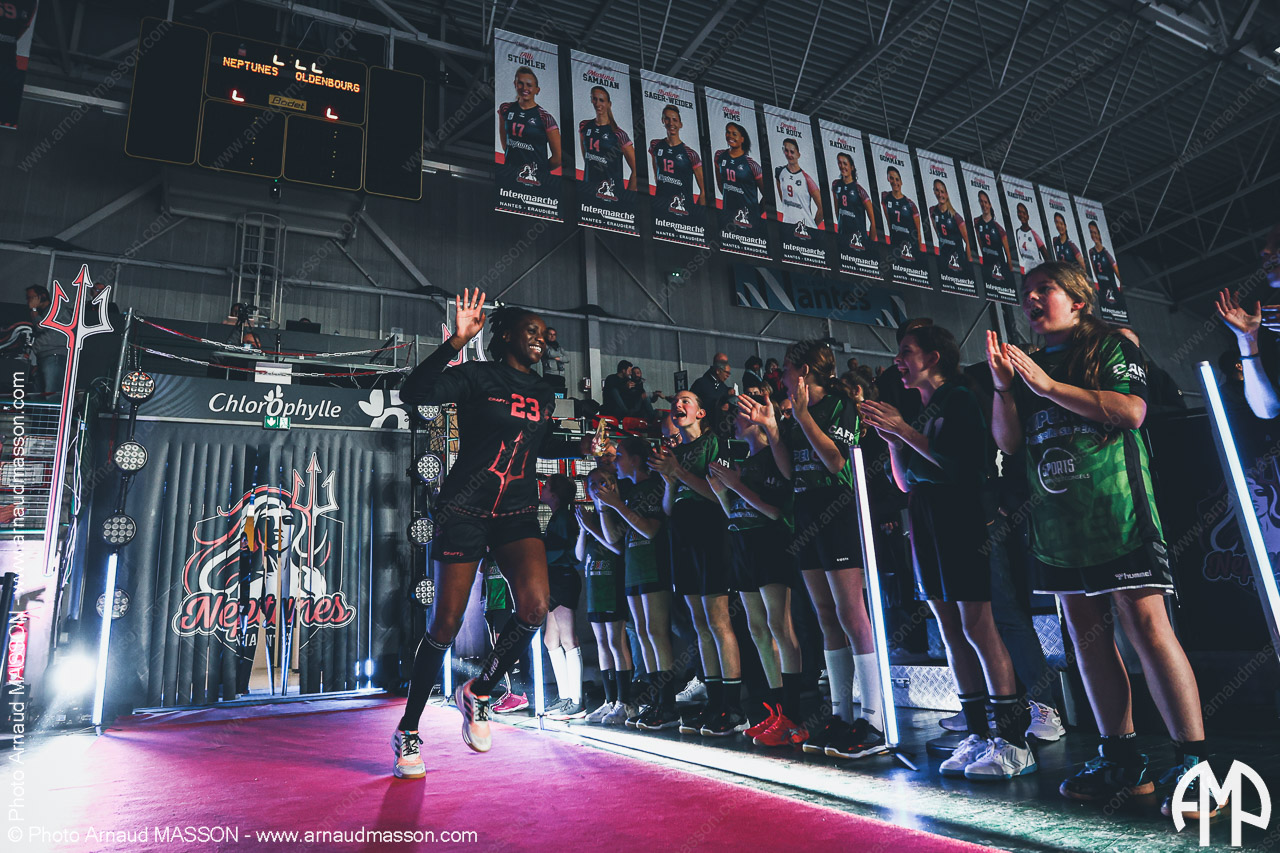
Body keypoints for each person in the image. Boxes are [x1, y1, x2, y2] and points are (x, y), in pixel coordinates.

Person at [987, 262, 1215, 820]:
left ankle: (1196, 767)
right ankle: (1123, 760)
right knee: (1087, 639)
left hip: (1119, 514)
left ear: (1078, 300)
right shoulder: (1028, 365)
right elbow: (1009, 444)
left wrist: (1047, 387)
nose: (1031, 299)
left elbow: (1131, 412)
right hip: (1057, 527)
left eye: (1044, 289)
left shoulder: (1113, 344)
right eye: (1025, 293)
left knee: (1147, 628)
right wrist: (1005, 387)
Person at [391, 289, 594, 779]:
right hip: (465, 507)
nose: (541, 339)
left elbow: (534, 444)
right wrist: (456, 342)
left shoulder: (545, 393)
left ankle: (480, 690)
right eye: (531, 330)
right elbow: (414, 393)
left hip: (517, 511)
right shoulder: (477, 376)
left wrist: (584, 447)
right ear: (503, 335)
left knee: (535, 608)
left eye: (544, 334)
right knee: (445, 624)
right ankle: (409, 730)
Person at [862, 325, 1036, 780]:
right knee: (949, 629)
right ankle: (976, 733)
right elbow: (904, 483)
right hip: (925, 518)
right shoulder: (922, 409)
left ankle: (1013, 740)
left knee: (979, 626)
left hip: (962, 516)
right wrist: (894, 440)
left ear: (934, 357)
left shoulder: (960, 397)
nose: (897, 360)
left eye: (906, 352)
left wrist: (906, 432)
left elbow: (966, 466)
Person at [738, 340, 887, 760]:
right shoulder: (793, 414)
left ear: (804, 370)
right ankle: (840, 714)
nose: (780, 376)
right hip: (806, 513)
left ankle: (874, 719)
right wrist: (774, 429)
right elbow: (789, 471)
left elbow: (836, 462)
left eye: (786, 368)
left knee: (850, 612)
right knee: (825, 615)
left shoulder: (840, 405)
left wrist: (802, 417)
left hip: (837, 511)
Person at [706, 378, 805, 746]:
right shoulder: (744, 463)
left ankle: (794, 715)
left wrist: (734, 485)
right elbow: (737, 511)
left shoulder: (774, 456)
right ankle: (776, 711)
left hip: (770, 546)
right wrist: (722, 493)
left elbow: (775, 511)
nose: (734, 421)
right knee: (758, 629)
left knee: (779, 626)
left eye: (740, 415)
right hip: (743, 547)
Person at [649, 390, 743, 735]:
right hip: (683, 537)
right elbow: (669, 507)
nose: (679, 404)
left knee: (719, 622)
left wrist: (678, 472)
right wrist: (669, 480)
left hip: (711, 534)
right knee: (700, 624)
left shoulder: (713, 443)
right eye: (676, 401)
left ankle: (734, 707)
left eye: (687, 400)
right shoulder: (676, 453)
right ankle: (714, 703)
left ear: (701, 413)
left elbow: (719, 494)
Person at [595, 435, 679, 728]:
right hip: (633, 568)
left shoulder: (654, 486)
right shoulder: (627, 493)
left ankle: (668, 704)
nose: (615, 462)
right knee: (642, 633)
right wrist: (605, 507)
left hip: (654, 566)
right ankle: (655, 700)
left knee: (656, 632)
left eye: (619, 456)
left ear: (635, 459)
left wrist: (617, 504)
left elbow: (650, 530)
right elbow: (613, 538)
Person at [576, 467, 634, 724]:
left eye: (604, 482)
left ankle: (625, 701)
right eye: (593, 483)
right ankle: (609, 700)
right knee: (601, 643)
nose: (598, 487)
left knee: (616, 642)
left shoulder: (617, 512)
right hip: (595, 589)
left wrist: (593, 525)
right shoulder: (590, 517)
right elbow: (579, 556)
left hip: (613, 586)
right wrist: (583, 528)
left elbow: (619, 548)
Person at [1214, 222, 1280, 419]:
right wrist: (1247, 340)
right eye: (1267, 244)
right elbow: (1266, 410)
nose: (1265, 251)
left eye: (1278, 243)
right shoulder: (1270, 326)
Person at [541, 474, 585, 720]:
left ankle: (576, 701)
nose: (542, 489)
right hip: (555, 579)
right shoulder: (558, 517)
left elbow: (557, 550)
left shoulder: (563, 518)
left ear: (555, 495)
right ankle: (565, 696)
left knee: (568, 639)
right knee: (551, 640)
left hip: (563, 578)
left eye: (546, 486)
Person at [498, 67, 561, 188]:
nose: (524, 88)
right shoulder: (505, 108)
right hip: (509, 175)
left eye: (529, 85)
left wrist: (541, 170)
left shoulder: (545, 117)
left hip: (536, 181)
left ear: (537, 90)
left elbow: (558, 158)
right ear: (515, 84)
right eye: (520, 83)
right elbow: (505, 142)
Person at [579, 85, 636, 198]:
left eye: (602, 100)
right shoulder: (584, 126)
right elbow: (586, 157)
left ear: (609, 104)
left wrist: (626, 197)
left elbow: (636, 170)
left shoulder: (619, 134)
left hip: (612, 195)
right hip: (588, 192)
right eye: (595, 99)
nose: (597, 103)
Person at [1114, 328, 1185, 417]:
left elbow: (1180, 410)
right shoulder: (1107, 373)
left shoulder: (1157, 375)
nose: (1125, 348)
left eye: (1129, 344)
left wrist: (1143, 410)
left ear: (1137, 347)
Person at [649, 105, 706, 217]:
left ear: (680, 124)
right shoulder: (655, 144)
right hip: (660, 208)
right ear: (662, 120)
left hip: (683, 211)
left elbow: (704, 191)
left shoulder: (691, 154)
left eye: (675, 120)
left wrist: (696, 214)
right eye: (667, 119)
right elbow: (657, 175)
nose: (671, 123)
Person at [714, 122, 765, 231]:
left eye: (734, 134)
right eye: (728, 132)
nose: (730, 136)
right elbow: (720, 183)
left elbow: (767, 195)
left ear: (742, 139)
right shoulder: (719, 155)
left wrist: (756, 213)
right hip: (728, 215)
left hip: (749, 219)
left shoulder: (752, 165)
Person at [25, 285, 66, 401]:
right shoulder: (44, 312)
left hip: (54, 356)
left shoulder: (56, 309)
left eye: (31, 297)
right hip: (43, 357)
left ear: (42, 296)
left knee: (51, 394)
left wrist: (33, 310)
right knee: (38, 394)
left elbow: (41, 326)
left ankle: (53, 413)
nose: (29, 301)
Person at [832, 152, 878, 251]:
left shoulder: (859, 190)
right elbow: (837, 210)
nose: (842, 166)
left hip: (859, 241)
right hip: (843, 238)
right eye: (840, 163)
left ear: (852, 167)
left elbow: (874, 221)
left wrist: (869, 244)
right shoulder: (835, 184)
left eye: (845, 163)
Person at [775, 138, 823, 228]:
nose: (789, 154)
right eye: (786, 151)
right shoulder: (779, 172)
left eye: (792, 152)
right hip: (787, 225)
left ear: (798, 154)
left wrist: (811, 226)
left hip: (804, 229)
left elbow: (822, 208)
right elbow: (783, 199)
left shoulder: (806, 178)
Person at [929, 179, 972, 274]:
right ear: (934, 191)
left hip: (958, 258)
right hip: (943, 257)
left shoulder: (956, 217)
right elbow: (938, 233)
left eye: (942, 192)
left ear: (947, 194)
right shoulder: (932, 211)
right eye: (937, 190)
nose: (940, 194)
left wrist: (967, 264)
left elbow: (968, 241)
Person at [881, 166, 922, 263]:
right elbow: (888, 222)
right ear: (888, 179)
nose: (895, 182)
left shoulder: (910, 204)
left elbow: (918, 232)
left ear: (901, 182)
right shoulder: (885, 196)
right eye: (891, 178)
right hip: (894, 246)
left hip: (910, 248)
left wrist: (919, 254)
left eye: (897, 179)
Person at [973, 190, 1013, 285]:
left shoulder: (999, 228)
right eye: (981, 201)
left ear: (990, 204)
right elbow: (980, 243)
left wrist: (1010, 276)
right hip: (986, 265)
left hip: (999, 265)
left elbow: (1008, 255)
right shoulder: (977, 221)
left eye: (986, 202)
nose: (984, 205)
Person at [1086, 220, 1122, 312]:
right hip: (1102, 288)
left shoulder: (1106, 253)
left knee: (1116, 308)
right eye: (1091, 232)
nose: (1093, 235)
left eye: (1095, 233)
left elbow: (1117, 273)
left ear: (1099, 234)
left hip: (1111, 288)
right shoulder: (1091, 252)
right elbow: (1094, 270)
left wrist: (1121, 289)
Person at [1013, 203, 1049, 273]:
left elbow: (1045, 253)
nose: (1021, 215)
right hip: (1026, 269)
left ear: (1028, 216)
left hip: (1037, 270)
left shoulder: (1033, 234)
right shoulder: (1017, 231)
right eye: (1019, 212)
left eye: (1024, 213)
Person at [541, 326, 567, 393]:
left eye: (554, 334)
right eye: (550, 334)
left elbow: (567, 358)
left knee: (561, 394)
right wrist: (561, 356)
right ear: (546, 335)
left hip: (560, 375)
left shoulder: (559, 347)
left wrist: (559, 358)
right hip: (549, 375)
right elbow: (550, 353)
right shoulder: (544, 345)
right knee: (549, 394)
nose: (552, 336)